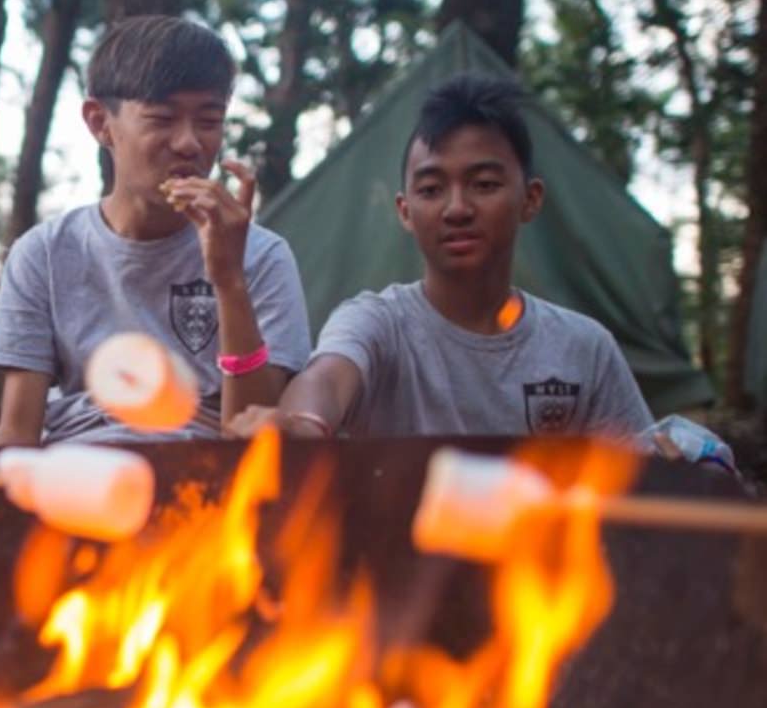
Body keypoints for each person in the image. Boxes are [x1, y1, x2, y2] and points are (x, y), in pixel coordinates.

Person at [228, 72, 653, 441]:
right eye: (431, 189)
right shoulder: (378, 325)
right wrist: (300, 423)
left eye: (484, 184)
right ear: (405, 211)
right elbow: (327, 378)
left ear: (531, 199)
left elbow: (644, 466)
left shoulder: (583, 348)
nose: (457, 209)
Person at [0, 15, 311, 447]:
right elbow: (16, 432)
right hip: (77, 468)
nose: (189, 143)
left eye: (209, 121)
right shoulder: (44, 253)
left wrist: (229, 279)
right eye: (162, 119)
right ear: (100, 123)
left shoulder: (262, 256)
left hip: (209, 472)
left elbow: (250, 436)